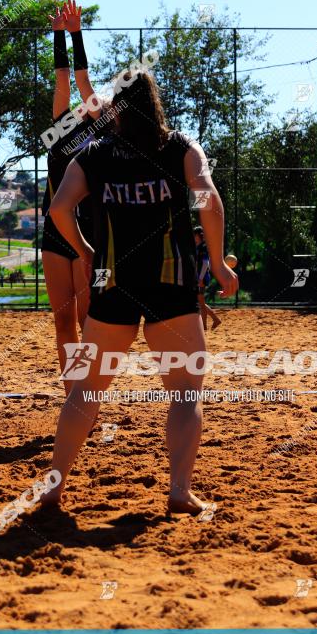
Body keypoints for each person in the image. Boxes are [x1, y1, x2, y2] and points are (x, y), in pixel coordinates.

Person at [44, 69, 239, 514]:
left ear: (116, 105)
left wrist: (86, 252)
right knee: (186, 393)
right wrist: (220, 263)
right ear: (155, 104)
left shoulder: (94, 154)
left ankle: (55, 488)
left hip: (115, 284)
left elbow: (59, 209)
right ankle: (178, 492)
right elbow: (209, 200)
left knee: (85, 393)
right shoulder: (182, 149)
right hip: (171, 285)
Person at [41, 0, 102, 395]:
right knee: (63, 323)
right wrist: (59, 34)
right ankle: (74, 395)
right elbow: (65, 79)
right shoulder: (60, 129)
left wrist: (78, 33)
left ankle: (89, 388)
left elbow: (82, 81)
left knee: (86, 318)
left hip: (89, 232)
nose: (81, 101)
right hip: (54, 231)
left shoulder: (102, 130)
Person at [194, 225, 221, 330]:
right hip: (198, 277)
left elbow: (206, 263)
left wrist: (200, 278)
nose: (194, 237)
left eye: (195, 235)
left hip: (202, 278)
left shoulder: (203, 247)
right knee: (200, 302)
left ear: (199, 236)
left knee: (200, 302)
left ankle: (204, 326)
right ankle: (215, 319)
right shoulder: (198, 246)